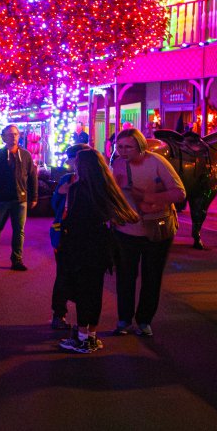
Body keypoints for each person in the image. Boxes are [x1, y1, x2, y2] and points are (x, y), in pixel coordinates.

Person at [57, 148, 141, 354]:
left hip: (79, 246)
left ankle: (83, 338)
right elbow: (128, 216)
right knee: (94, 291)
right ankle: (90, 335)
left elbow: (72, 220)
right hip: (100, 247)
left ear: (82, 166)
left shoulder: (78, 189)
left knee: (81, 291)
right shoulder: (106, 187)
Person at [110, 128, 186, 337]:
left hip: (156, 229)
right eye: (119, 147)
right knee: (125, 276)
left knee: (152, 277)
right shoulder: (117, 163)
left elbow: (179, 193)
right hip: (125, 229)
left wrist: (149, 198)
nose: (123, 151)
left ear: (140, 147)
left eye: (128, 147)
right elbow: (113, 193)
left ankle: (144, 320)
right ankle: (124, 319)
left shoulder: (157, 162)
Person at [0, 125, 38, 271]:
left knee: (19, 230)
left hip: (20, 198)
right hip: (2, 198)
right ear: (3, 137)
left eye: (16, 134)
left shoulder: (26, 155)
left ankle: (17, 259)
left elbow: (32, 177)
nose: (13, 137)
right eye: (10, 134)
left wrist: (34, 196)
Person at [49, 143, 90, 331]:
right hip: (64, 232)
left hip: (86, 234)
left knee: (85, 276)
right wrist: (60, 192)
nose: (69, 162)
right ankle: (59, 313)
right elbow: (55, 204)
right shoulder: (67, 178)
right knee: (63, 274)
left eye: (72, 158)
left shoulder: (94, 179)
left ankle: (85, 321)